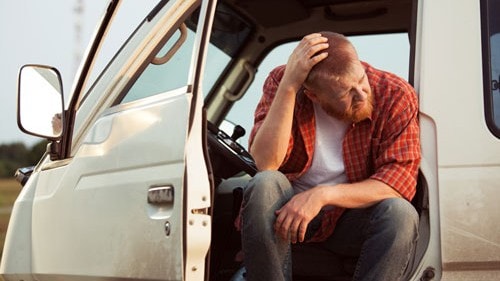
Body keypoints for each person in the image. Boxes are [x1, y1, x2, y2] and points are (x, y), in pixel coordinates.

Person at [240, 31, 421, 281]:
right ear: (313, 95)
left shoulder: (395, 94)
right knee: (264, 184)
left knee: (400, 213)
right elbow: (266, 163)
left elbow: (399, 182)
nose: (362, 95)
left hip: (349, 221)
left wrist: (322, 195)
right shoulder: (283, 83)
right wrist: (289, 88)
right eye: (347, 93)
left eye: (361, 79)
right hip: (288, 221)